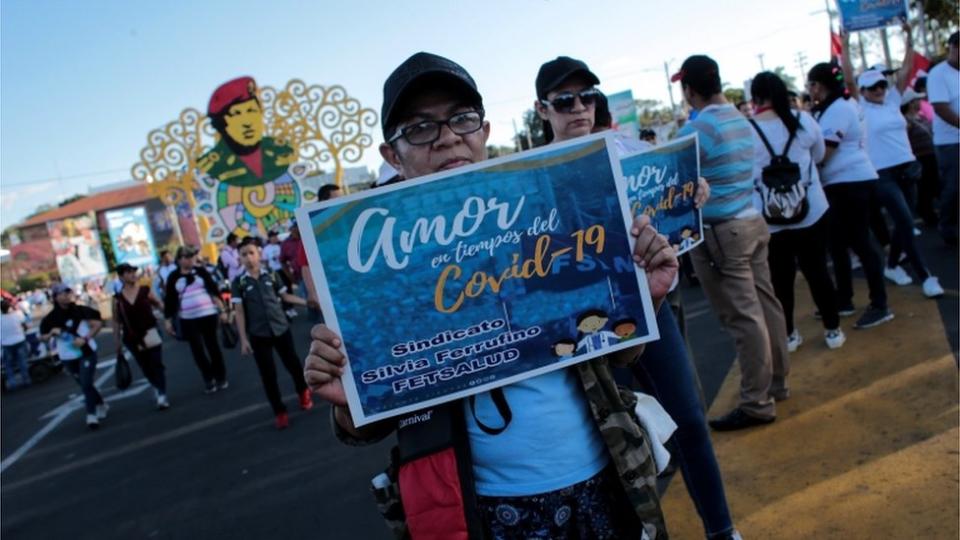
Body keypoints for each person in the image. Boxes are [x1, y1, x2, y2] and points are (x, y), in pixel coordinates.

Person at [304, 52, 679, 539]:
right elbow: (368, 422)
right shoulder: (372, 264)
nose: (447, 136)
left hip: (605, 478)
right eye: (420, 128)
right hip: (481, 511)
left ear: (483, 130)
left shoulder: (551, 209)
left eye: (462, 118)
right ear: (392, 155)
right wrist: (346, 399)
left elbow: (620, 350)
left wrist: (642, 298)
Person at [535, 55, 740, 539]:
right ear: (543, 110)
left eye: (587, 96)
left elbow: (672, 200)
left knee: (687, 418)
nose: (579, 107)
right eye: (565, 101)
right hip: (578, 323)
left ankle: (722, 530)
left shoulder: (626, 147)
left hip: (648, 303)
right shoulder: (532, 176)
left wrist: (693, 191)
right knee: (614, 440)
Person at [672, 54, 790, 431]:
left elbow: (669, 166)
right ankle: (778, 382)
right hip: (751, 221)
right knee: (766, 305)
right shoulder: (741, 119)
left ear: (689, 90)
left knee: (743, 318)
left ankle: (756, 401)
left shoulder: (701, 127)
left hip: (722, 232)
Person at [840, 26, 944, 298]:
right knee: (906, 222)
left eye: (882, 84)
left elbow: (907, 68)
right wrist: (846, 43)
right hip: (881, 174)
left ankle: (891, 264)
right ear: (861, 90)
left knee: (903, 221)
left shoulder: (892, 100)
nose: (879, 89)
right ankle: (926, 277)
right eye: (872, 86)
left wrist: (910, 38)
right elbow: (848, 76)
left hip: (908, 168)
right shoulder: (859, 106)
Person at [748, 71, 846, 351]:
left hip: (770, 218)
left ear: (754, 97)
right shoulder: (803, 120)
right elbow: (817, 156)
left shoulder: (747, 129)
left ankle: (788, 335)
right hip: (811, 209)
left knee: (780, 279)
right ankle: (833, 330)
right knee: (818, 272)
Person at [806, 61, 894, 328]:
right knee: (838, 243)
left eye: (810, 85)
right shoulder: (835, 107)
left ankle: (880, 304)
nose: (810, 91)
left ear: (819, 86)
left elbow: (825, 151)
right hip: (842, 182)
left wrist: (807, 164)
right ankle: (844, 299)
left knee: (861, 242)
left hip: (850, 182)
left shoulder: (838, 109)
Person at [232, 237, 313, 429]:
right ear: (240, 258)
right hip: (258, 334)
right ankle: (280, 411)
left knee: (293, 364)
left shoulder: (272, 275)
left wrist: (308, 302)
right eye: (244, 254)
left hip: (280, 328)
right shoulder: (239, 282)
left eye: (251, 253)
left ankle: (303, 392)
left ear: (259, 253)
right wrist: (243, 339)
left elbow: (285, 296)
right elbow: (239, 311)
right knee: (268, 375)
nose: (248, 258)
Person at [163, 245, 230, 394]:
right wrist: (167, 320)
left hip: (208, 314)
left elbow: (213, 290)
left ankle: (220, 376)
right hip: (188, 318)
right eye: (186, 257)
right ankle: (208, 378)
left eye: (191, 256)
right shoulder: (173, 277)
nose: (190, 260)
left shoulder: (201, 272)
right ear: (179, 260)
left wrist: (222, 310)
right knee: (197, 350)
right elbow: (170, 300)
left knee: (213, 346)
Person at [39, 284, 107, 429]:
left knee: (86, 382)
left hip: (86, 352)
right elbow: (42, 337)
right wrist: (51, 333)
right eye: (62, 293)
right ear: (55, 297)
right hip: (67, 356)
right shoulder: (50, 318)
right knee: (84, 383)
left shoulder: (80, 310)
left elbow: (98, 323)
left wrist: (86, 338)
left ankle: (91, 415)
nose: (66, 295)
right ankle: (101, 403)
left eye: (68, 292)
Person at [112, 263, 169, 410]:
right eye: (128, 272)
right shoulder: (117, 299)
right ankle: (156, 386)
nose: (132, 274)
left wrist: (169, 318)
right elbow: (116, 321)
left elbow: (158, 304)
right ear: (121, 276)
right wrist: (117, 342)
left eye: (133, 271)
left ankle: (162, 394)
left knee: (157, 363)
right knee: (145, 367)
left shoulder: (145, 290)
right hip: (132, 338)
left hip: (151, 331)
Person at [927, 31, 960, 245]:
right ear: (952, 48)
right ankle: (947, 226)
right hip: (950, 143)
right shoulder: (938, 74)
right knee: (954, 187)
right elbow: (940, 108)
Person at [902, 87, 940, 227]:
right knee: (925, 188)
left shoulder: (921, 116)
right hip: (920, 158)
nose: (921, 101)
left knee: (934, 185)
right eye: (917, 99)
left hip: (932, 155)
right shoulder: (905, 121)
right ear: (911, 103)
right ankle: (927, 214)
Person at [1, 299, 32, 390]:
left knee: (8, 365)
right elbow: (25, 326)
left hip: (6, 343)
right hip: (19, 340)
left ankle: (12, 383)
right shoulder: (17, 315)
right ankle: (26, 379)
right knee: (22, 362)